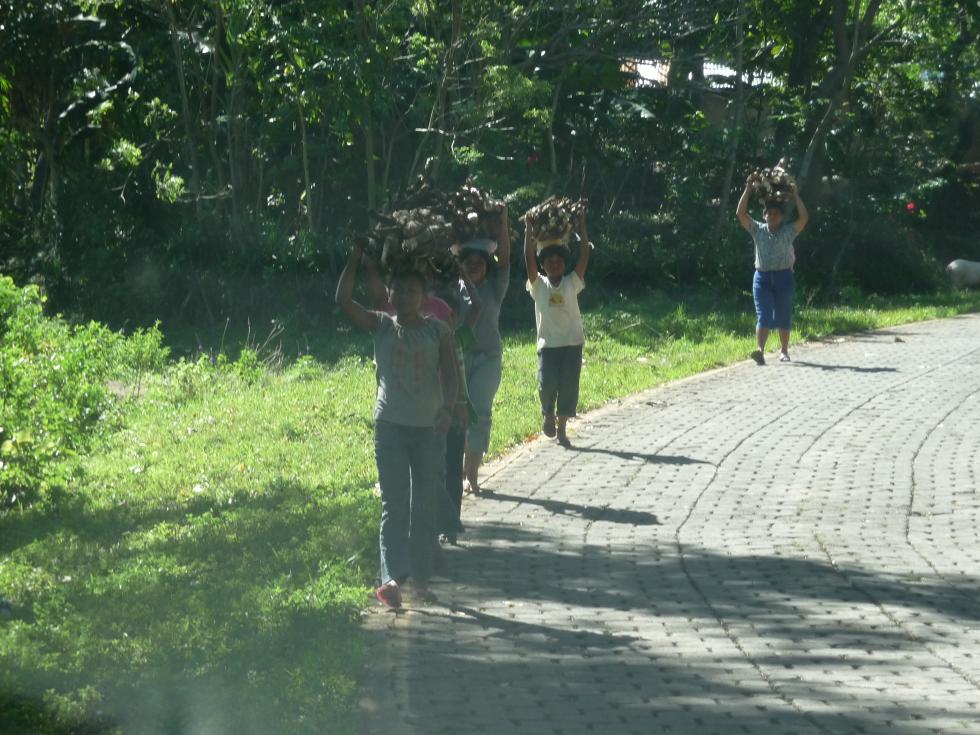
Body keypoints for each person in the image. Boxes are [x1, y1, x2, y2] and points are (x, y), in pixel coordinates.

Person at [335, 243, 458, 608]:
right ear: (389, 294)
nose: (403, 296)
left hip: (428, 430)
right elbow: (343, 300)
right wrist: (355, 259)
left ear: (423, 296)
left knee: (423, 505)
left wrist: (448, 408)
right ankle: (391, 579)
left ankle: (420, 581)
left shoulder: (438, 331)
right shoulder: (382, 325)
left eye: (411, 290)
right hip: (390, 427)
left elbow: (451, 373)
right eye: (398, 290)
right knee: (394, 504)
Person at [453, 206, 512, 495]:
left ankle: (472, 474)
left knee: (480, 411)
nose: (474, 265)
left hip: (488, 358)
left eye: (480, 261)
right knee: (458, 415)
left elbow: (505, 259)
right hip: (457, 359)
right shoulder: (453, 289)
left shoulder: (495, 287)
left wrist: (503, 222)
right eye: (469, 262)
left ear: (488, 265)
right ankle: (459, 468)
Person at [524, 209, 590, 447]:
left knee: (569, 387)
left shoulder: (572, 282)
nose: (554, 264)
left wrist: (582, 228)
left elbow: (584, 256)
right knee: (547, 384)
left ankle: (562, 428)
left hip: (572, 343)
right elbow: (528, 259)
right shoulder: (538, 285)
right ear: (543, 265)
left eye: (558, 261)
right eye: (549, 262)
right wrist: (529, 231)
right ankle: (548, 413)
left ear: (564, 264)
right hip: (548, 345)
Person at [736, 177, 809, 364]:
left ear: (782, 217)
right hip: (761, 278)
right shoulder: (758, 230)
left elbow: (803, 218)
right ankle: (760, 351)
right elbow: (740, 214)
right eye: (769, 213)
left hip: (784, 277)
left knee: (783, 314)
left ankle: (784, 351)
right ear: (764, 215)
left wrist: (796, 195)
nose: (772, 216)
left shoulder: (788, 231)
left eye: (776, 214)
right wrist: (748, 189)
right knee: (764, 315)